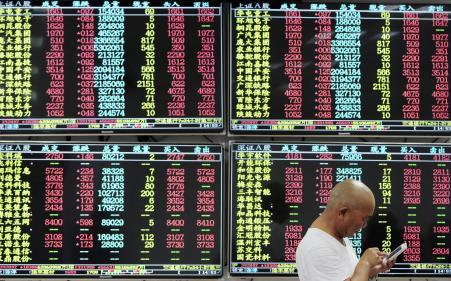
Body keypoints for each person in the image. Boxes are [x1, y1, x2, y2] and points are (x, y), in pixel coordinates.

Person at [296, 179, 396, 281]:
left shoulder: (337, 236)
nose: (364, 225)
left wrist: (370, 271)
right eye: (364, 218)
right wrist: (365, 263)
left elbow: (348, 278)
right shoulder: (317, 247)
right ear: (343, 212)